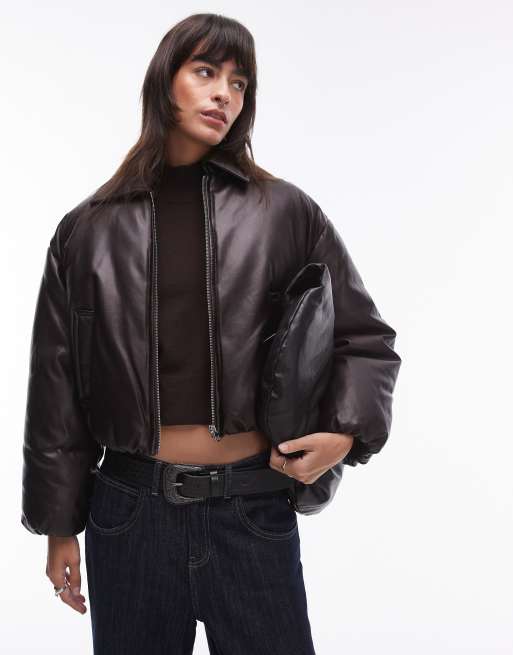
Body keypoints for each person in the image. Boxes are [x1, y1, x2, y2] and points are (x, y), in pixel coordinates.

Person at [20, 13, 401, 655]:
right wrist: (60, 526)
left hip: (252, 508)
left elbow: (364, 339)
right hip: (129, 517)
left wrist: (345, 435)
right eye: (205, 72)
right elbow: (55, 385)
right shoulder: (87, 230)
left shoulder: (286, 212)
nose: (225, 93)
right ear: (164, 82)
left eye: (239, 82)